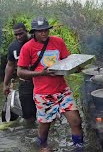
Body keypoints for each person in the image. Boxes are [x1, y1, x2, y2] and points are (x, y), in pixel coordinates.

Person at [17, 17, 83, 149]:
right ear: (34, 32)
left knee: (76, 121)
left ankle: (79, 148)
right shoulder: (27, 47)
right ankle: (42, 146)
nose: (44, 33)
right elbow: (20, 72)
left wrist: (77, 67)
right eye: (40, 31)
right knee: (45, 126)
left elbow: (66, 62)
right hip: (43, 94)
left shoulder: (58, 42)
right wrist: (41, 73)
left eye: (46, 30)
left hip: (62, 90)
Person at [3, 23, 36, 123]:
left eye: (21, 33)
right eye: (16, 35)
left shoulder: (36, 41)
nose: (18, 36)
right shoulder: (13, 47)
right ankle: (29, 133)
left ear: (26, 31)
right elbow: (10, 66)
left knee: (48, 110)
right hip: (25, 82)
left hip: (41, 80)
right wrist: (5, 84)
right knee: (27, 114)